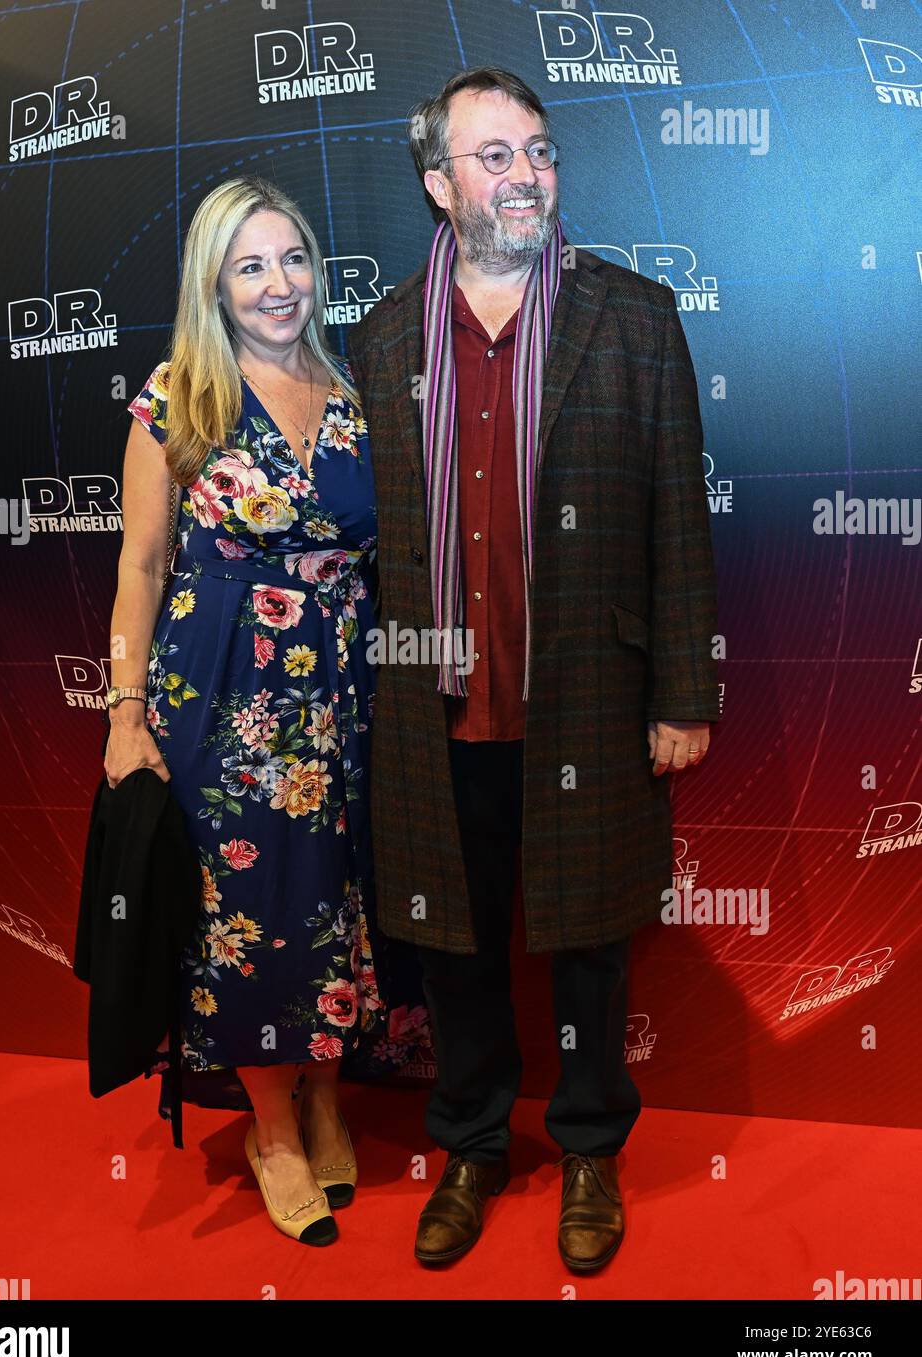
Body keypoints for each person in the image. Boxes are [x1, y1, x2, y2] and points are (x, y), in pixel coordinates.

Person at [347, 67, 720, 1273]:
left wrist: (680, 694)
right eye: (492, 155)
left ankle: (589, 1147)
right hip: (434, 710)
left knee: (590, 944)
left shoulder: (634, 316)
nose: (523, 175)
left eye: (537, 152)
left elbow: (678, 519)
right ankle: (467, 1143)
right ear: (437, 184)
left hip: (588, 704)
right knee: (452, 946)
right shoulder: (384, 336)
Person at [104, 175, 385, 1246]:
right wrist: (124, 713)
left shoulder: (349, 385)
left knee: (334, 895)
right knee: (248, 906)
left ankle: (322, 1090)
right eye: (250, 266)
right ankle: (271, 1122)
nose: (279, 285)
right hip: (224, 691)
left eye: (293, 259)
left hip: (343, 687)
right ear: (213, 286)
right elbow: (138, 561)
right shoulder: (178, 396)